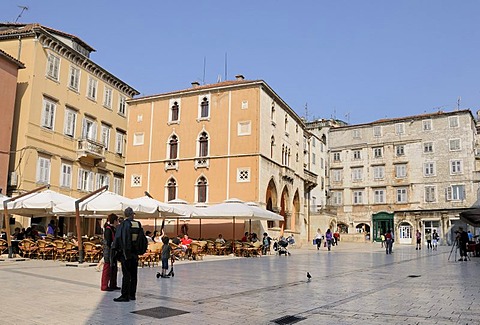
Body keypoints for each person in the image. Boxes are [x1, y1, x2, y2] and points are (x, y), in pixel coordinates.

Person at [112, 207, 144, 302]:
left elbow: (118, 238)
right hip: (135, 253)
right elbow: (142, 239)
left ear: (125, 215)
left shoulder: (123, 225)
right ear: (132, 214)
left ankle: (124, 295)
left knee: (126, 274)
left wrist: (116, 252)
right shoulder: (138, 224)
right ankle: (132, 294)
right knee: (134, 274)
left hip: (126, 254)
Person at [101, 213, 120, 291]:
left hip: (113, 252)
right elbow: (108, 242)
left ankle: (113, 284)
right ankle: (104, 286)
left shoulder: (113, 229)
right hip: (108, 252)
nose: (118, 222)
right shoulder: (108, 229)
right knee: (107, 268)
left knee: (114, 268)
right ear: (114, 220)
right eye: (117, 220)